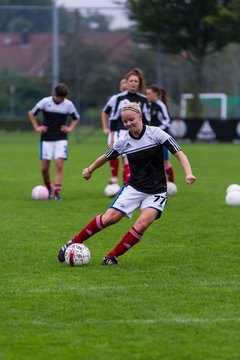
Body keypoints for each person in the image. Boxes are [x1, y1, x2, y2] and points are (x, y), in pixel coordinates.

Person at [58, 102, 196, 265]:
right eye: (125, 122)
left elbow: (179, 153)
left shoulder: (156, 133)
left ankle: (112, 256)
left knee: (143, 223)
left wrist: (188, 173)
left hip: (156, 192)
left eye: (131, 119)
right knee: (109, 218)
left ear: (140, 116)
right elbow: (106, 156)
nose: (129, 124)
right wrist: (90, 169)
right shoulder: (124, 141)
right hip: (134, 188)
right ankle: (73, 242)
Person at [28, 83, 80, 200]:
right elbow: (31, 113)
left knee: (59, 164)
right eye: (60, 97)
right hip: (46, 138)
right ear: (55, 94)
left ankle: (57, 194)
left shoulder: (68, 104)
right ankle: (49, 189)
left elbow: (76, 117)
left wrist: (70, 128)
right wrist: (37, 127)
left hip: (61, 138)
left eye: (64, 97)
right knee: (44, 168)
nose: (62, 100)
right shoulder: (45, 102)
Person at [101, 68, 150, 186]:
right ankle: (120, 182)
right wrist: (111, 135)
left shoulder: (143, 99)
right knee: (124, 157)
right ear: (126, 82)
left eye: (136, 81)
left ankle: (128, 186)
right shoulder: (118, 98)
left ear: (139, 83)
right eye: (131, 81)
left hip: (137, 134)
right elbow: (112, 118)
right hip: (120, 132)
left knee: (131, 160)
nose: (133, 83)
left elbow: (147, 119)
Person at [146, 84, 175, 183]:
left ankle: (171, 183)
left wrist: (157, 131)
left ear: (156, 94)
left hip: (162, 138)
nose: (147, 96)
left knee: (165, 161)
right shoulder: (149, 106)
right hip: (152, 138)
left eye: (149, 94)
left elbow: (167, 120)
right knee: (152, 161)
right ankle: (155, 182)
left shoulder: (160, 105)